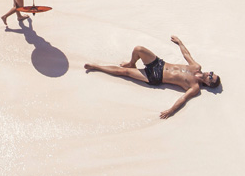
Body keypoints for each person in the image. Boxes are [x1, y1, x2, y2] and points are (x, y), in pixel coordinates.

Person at [84, 35, 220, 119]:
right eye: (211, 73)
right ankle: (131, 63)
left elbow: (183, 99)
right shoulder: (196, 67)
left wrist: (171, 111)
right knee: (138, 49)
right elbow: (187, 55)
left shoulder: (195, 87)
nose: (209, 74)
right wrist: (180, 42)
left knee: (124, 72)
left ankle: (96, 67)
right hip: (159, 63)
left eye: (211, 78)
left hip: (155, 76)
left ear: (208, 84)